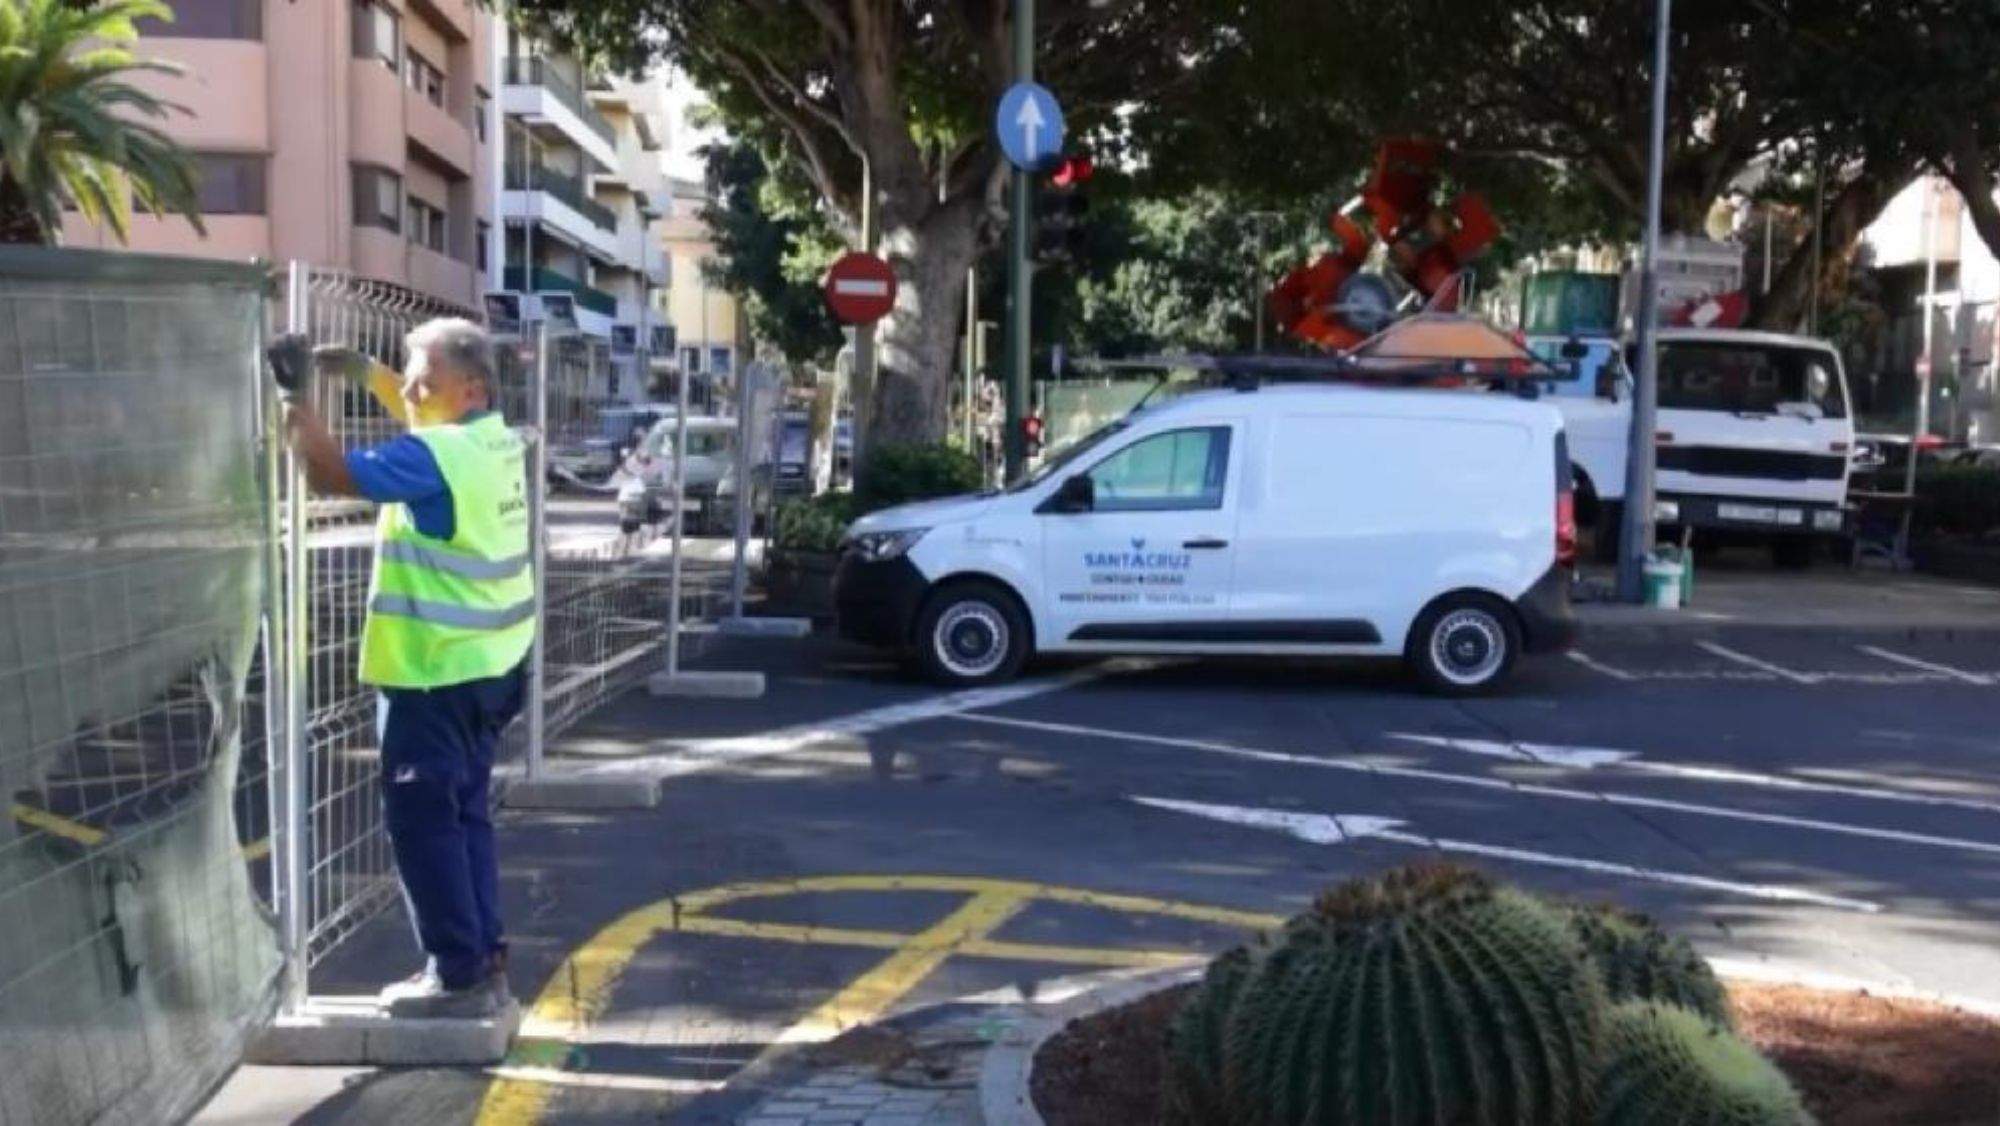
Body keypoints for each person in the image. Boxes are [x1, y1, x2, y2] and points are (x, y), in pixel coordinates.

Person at [268, 318, 532, 1019]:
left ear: (469, 388)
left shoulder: (434, 455)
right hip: (493, 666)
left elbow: (329, 474)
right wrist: (363, 370)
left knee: (424, 823)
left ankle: (456, 972)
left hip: (432, 672)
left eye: (423, 380)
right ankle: (483, 955)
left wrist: (294, 395)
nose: (409, 392)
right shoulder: (494, 440)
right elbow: (421, 411)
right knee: (465, 814)